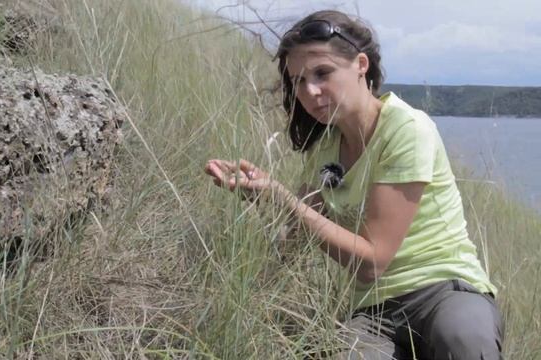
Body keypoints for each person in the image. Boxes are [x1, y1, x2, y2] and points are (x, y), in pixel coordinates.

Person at [204, 9, 504, 360]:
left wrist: (285, 199)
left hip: (444, 291)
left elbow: (373, 260)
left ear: (361, 64)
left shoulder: (407, 129)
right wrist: (263, 198)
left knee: (463, 339)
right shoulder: (325, 148)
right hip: (375, 311)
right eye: (298, 80)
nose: (310, 91)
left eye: (322, 73)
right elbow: (300, 231)